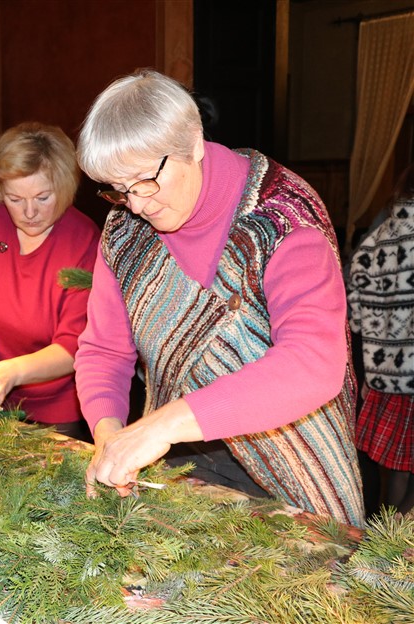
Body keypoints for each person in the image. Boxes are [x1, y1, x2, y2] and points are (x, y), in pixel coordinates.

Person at [75, 69, 364, 527]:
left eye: (145, 181)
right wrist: (109, 432)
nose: (136, 205)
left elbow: (313, 362)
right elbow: (104, 350)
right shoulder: (126, 231)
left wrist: (161, 425)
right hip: (178, 469)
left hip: (297, 468)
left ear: (193, 143)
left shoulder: (281, 217)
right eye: (118, 189)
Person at [0, 122, 100, 442]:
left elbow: (73, 347)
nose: (29, 212)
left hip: (51, 413)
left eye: (42, 197)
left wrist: (13, 372)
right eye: (14, 199)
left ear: (65, 186)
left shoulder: (84, 242)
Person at [347, 163, 414, 515]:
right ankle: (387, 558)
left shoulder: (377, 237)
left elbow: (355, 312)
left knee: (396, 476)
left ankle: (380, 551)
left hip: (383, 377)